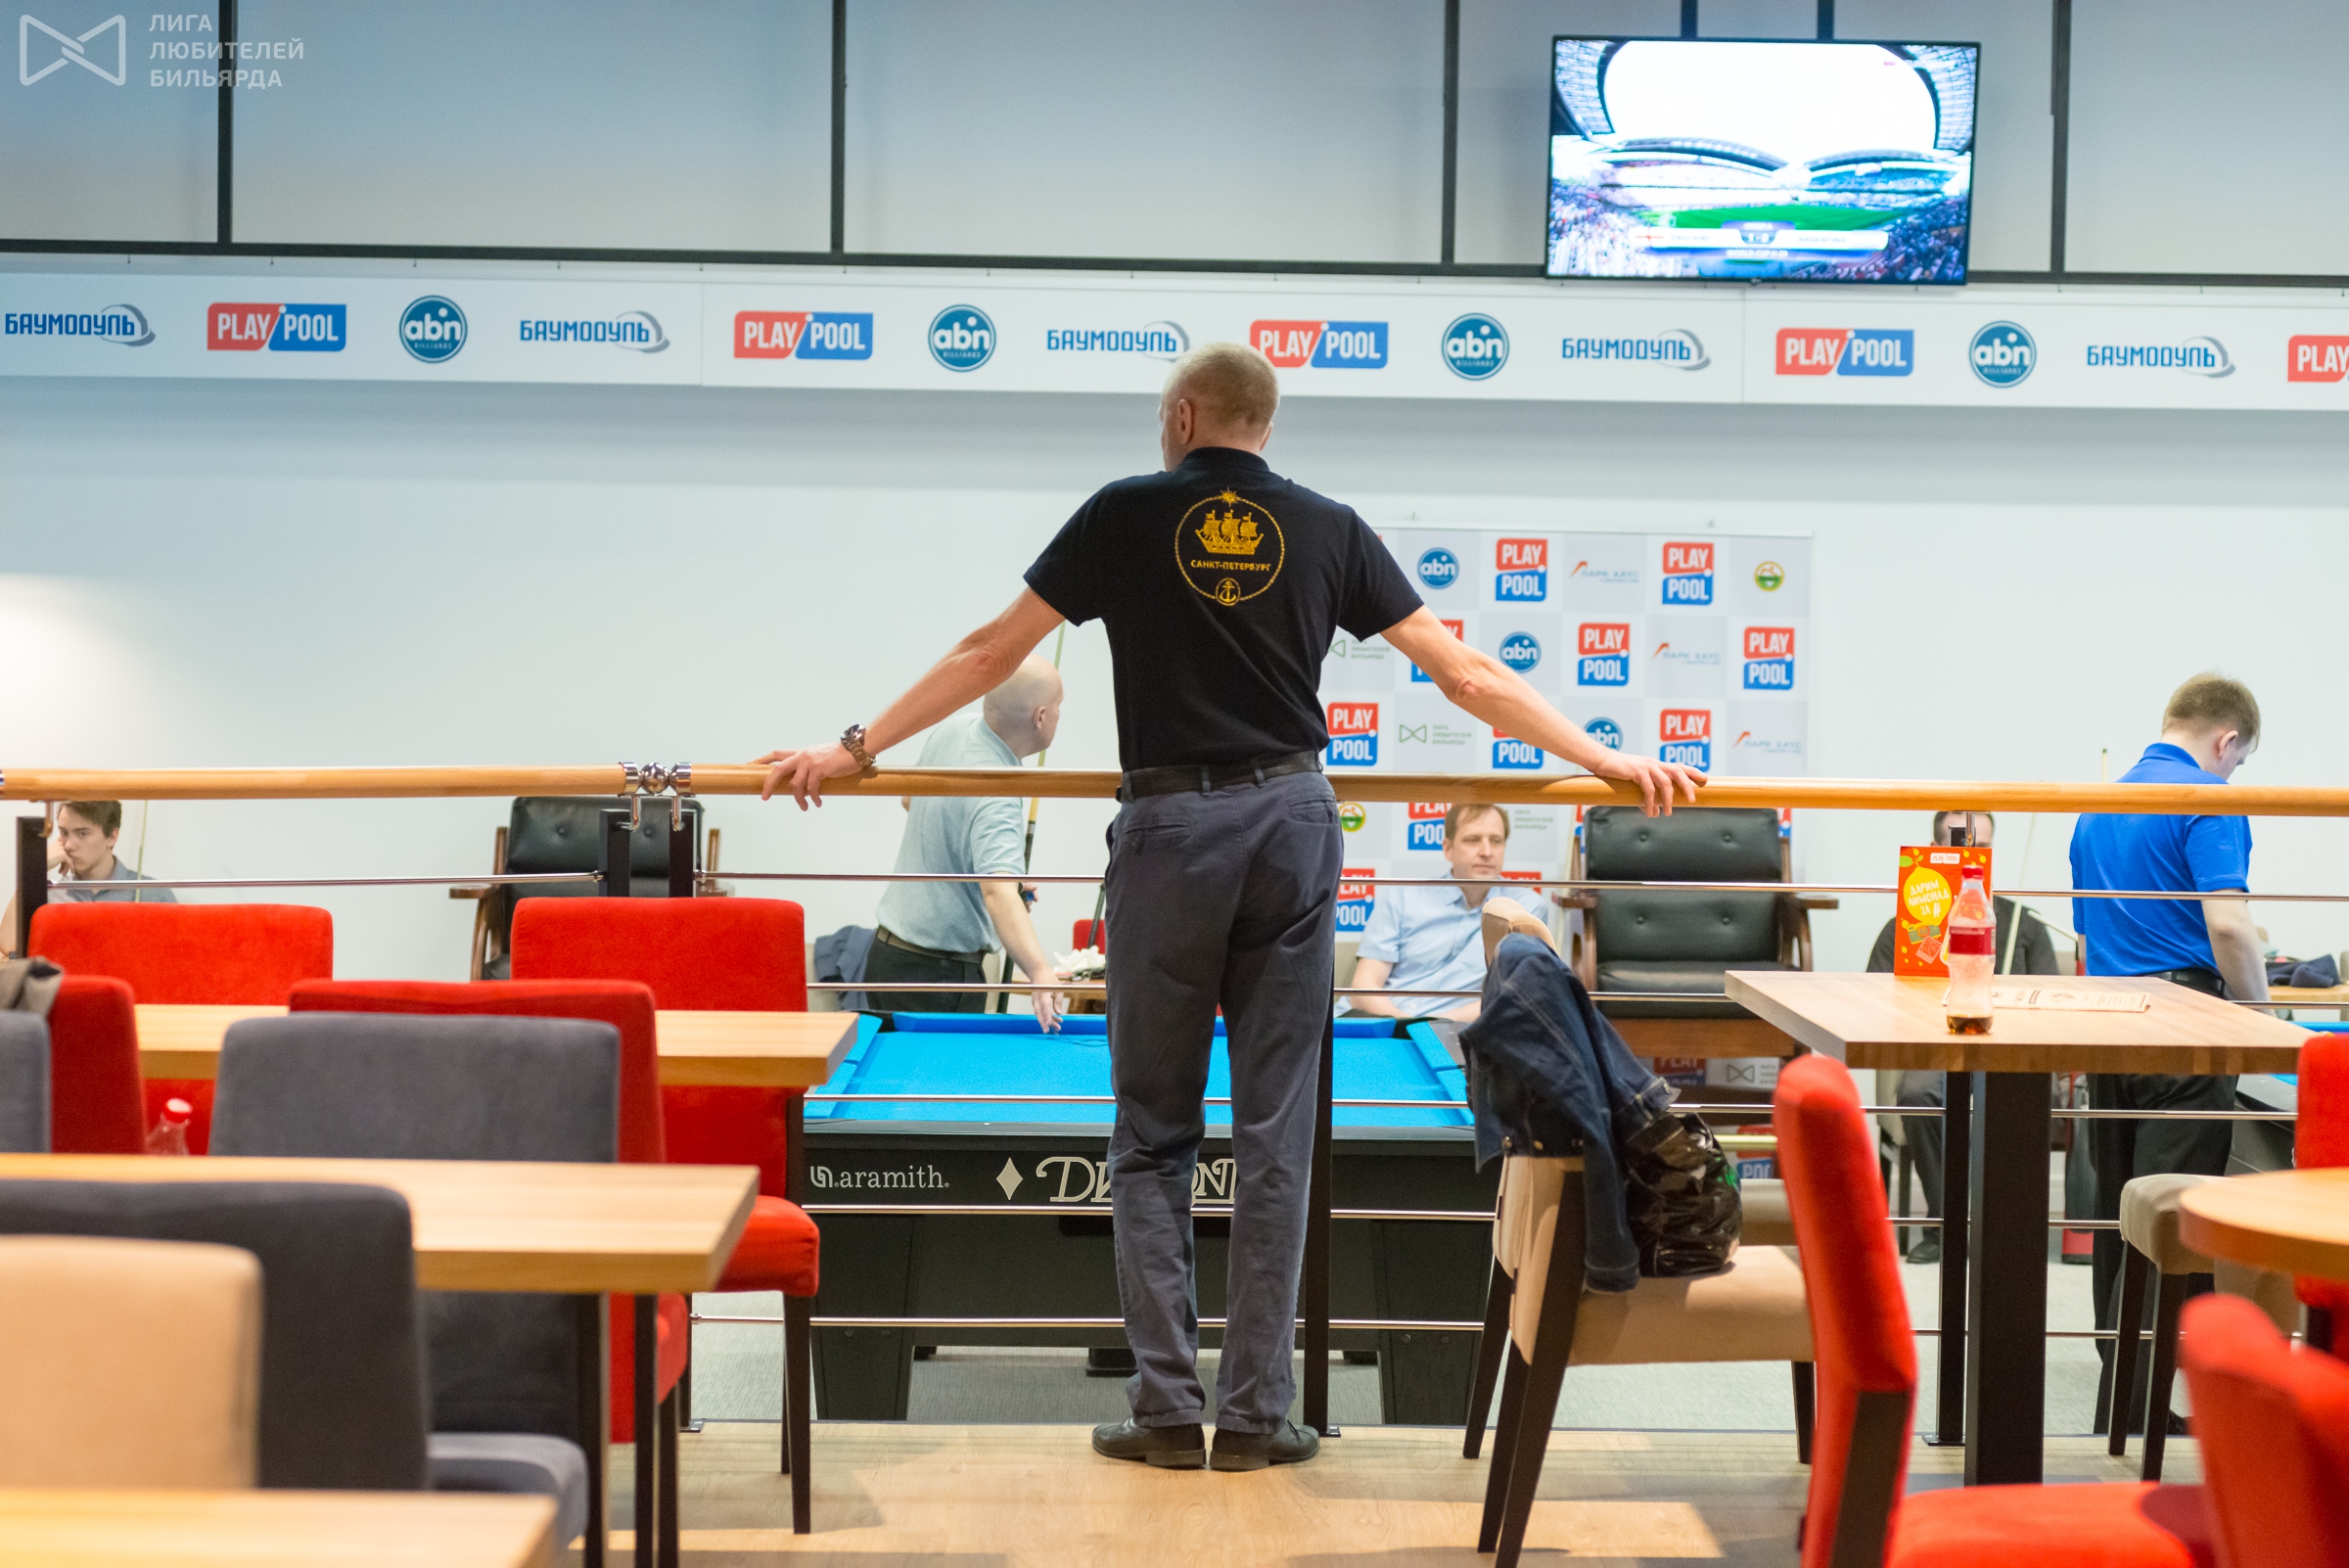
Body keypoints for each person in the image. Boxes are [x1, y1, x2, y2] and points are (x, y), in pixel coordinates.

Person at [755, 341, 1701, 1473]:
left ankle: (1166, 1409)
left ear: (1182, 416)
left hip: (1171, 829)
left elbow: (988, 653)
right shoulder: (1330, 526)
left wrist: (852, 749)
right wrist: (1599, 757)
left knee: (1153, 1134)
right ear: (1267, 425)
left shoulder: (1124, 511)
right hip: (1294, 821)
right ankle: (1255, 1417)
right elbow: (1465, 676)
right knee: (1276, 1134)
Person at [2068, 673, 2270, 1417]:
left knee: (2121, 1215)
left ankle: (2123, 1398)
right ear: (2227, 740)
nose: (2233, 772)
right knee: (2170, 1221)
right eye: (2238, 761)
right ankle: (2137, 1409)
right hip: (2185, 1025)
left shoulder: (2095, 808)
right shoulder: (2207, 798)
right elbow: (2229, 925)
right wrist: (2262, 1017)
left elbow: (2087, 938)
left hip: (2108, 1024)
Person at [1864, 810, 2060, 1264]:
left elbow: (2049, 1001)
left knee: (2028, 1091)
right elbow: (1876, 1002)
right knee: (1917, 1093)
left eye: (1982, 848)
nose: (1971, 856)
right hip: (1936, 1050)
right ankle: (1948, 1224)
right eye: (1958, 846)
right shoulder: (1907, 926)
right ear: (1935, 851)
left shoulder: (2023, 925)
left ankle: (2005, 1228)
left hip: (2010, 1052)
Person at [864, 659, 1069, 1030]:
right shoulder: (999, 790)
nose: (1059, 714)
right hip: (937, 978)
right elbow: (997, 894)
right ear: (1040, 717)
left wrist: (1001, 870)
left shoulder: (954, 729)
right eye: (1058, 706)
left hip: (886, 956)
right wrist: (1040, 970)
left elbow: (911, 801)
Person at [1348, 802, 1512, 1023]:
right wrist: (1408, 1028)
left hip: (1454, 1032)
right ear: (1448, 848)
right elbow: (1364, 986)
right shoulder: (1402, 896)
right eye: (1473, 840)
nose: (1487, 852)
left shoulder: (1523, 909)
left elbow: (1508, 995)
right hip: (1380, 1024)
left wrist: (1429, 1030)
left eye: (1496, 841)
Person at [3, 800, 174, 953]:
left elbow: (174, 958)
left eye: (82, 834)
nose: (68, 845)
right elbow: (8, 945)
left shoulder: (151, 893)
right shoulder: (51, 892)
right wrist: (37, 867)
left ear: (112, 837)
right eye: (64, 833)